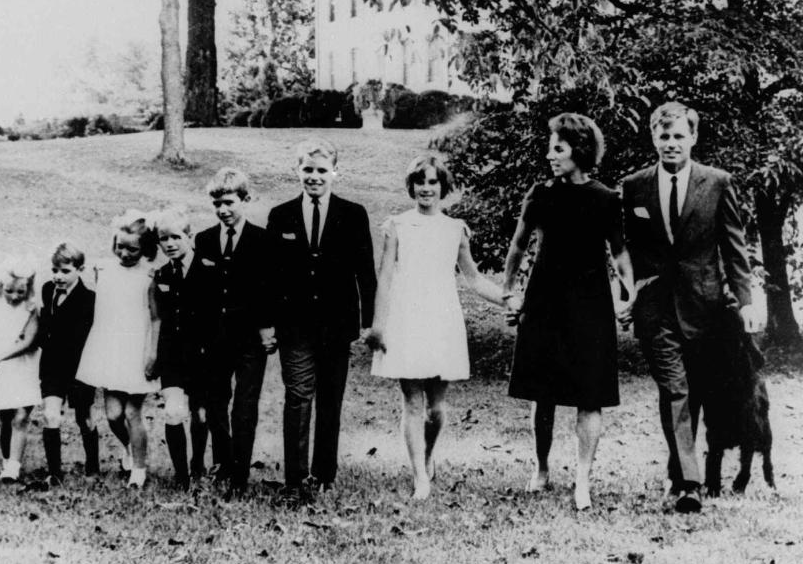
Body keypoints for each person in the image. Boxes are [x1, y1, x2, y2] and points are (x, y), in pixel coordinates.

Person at [622, 101, 760, 514]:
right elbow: (626, 248)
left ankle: (677, 472)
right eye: (663, 136)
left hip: (707, 307)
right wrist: (629, 292)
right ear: (653, 138)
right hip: (656, 308)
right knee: (675, 389)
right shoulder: (635, 186)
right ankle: (690, 485)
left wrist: (747, 300)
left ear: (693, 138)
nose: (671, 144)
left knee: (696, 391)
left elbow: (734, 250)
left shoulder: (718, 183)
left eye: (679, 136)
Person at [502, 113, 635, 511]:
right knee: (542, 393)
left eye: (557, 148)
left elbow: (620, 251)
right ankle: (541, 469)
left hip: (590, 304)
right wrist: (510, 292)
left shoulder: (606, 198)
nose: (549, 155)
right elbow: (517, 246)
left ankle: (582, 480)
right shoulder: (540, 195)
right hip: (544, 300)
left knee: (589, 395)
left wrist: (629, 293)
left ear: (578, 151)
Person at [367, 154, 505, 500]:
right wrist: (378, 325)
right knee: (412, 402)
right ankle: (420, 478)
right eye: (420, 182)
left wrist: (509, 298)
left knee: (437, 408)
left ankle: (428, 457)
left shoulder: (455, 229)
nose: (426, 188)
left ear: (443, 187)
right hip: (406, 319)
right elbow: (384, 279)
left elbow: (473, 279)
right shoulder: (396, 225)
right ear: (411, 186)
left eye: (433, 182)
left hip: (441, 321)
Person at [267, 139, 377, 498]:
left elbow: (365, 272)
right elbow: (270, 277)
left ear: (334, 172)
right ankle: (295, 479)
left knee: (331, 399)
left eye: (321, 170)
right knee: (298, 396)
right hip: (294, 325)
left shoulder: (354, 213)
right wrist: (268, 323)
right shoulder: (280, 216)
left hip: (337, 324)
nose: (314, 177)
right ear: (297, 171)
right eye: (307, 170)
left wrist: (369, 322)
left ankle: (324, 474)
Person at [193, 168, 277, 498]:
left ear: (245, 199)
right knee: (216, 404)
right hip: (215, 338)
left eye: (228, 202)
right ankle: (223, 464)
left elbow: (270, 288)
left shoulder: (262, 240)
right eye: (216, 204)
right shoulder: (204, 240)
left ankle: (240, 473)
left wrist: (268, 328)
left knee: (244, 406)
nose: (223, 210)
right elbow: (200, 292)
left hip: (249, 340)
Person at [76, 211, 161, 489]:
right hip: (109, 349)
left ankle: (139, 470)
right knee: (113, 414)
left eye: (132, 249)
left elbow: (156, 317)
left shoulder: (149, 274)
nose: (124, 253)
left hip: (136, 348)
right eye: (120, 246)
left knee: (132, 413)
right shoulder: (101, 268)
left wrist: (152, 353)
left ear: (145, 249)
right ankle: (129, 448)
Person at [148, 207, 210, 490]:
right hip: (172, 357)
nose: (170, 244)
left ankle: (197, 464)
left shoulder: (209, 269)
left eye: (176, 237)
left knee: (200, 414)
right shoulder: (160, 276)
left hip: (202, 356)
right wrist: (153, 355)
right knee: (173, 411)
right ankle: (182, 476)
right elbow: (157, 318)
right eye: (164, 239)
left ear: (189, 236)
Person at [0, 258, 43, 483]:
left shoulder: (32, 309)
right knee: (5, 417)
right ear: (0, 288)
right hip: (0, 370)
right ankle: (7, 462)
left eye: (20, 291)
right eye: (9, 291)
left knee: (21, 417)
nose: (15, 297)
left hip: (25, 367)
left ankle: (14, 467)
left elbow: (28, 342)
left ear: (29, 288)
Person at [37, 242, 97, 486]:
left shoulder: (89, 299)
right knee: (51, 415)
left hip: (80, 368)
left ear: (80, 269)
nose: (58, 276)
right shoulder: (47, 289)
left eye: (65, 271)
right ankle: (55, 473)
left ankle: (92, 466)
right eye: (55, 270)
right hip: (52, 367)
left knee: (84, 418)